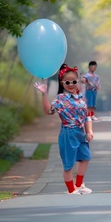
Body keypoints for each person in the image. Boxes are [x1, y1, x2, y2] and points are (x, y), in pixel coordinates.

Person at [34, 64, 93, 195]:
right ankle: (71, 189)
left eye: (74, 81)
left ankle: (79, 185)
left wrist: (89, 131)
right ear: (62, 83)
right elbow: (49, 110)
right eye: (67, 82)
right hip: (68, 132)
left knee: (85, 157)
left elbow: (86, 117)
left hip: (81, 132)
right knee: (69, 163)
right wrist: (44, 94)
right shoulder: (61, 99)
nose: (71, 84)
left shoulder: (81, 98)